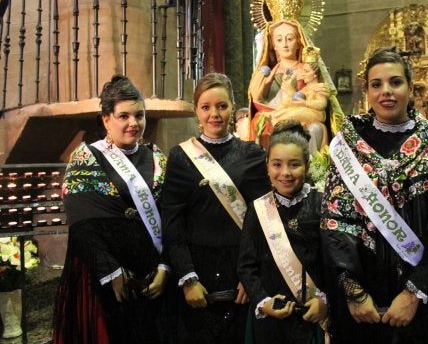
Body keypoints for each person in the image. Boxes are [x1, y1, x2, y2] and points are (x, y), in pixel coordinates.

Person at [320, 48, 428, 343]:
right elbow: (335, 222)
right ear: (366, 90)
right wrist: (353, 291)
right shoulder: (347, 146)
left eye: (395, 82)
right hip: (363, 298)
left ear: (410, 85)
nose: (386, 92)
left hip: (427, 295)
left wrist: (413, 293)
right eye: (376, 84)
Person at [52, 74, 170, 344]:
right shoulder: (86, 158)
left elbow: (171, 217)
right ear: (106, 119)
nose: (133, 123)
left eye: (139, 115)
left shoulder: (157, 158)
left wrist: (165, 266)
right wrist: (111, 270)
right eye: (124, 116)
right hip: (105, 279)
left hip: (153, 277)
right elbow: (82, 223)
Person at [161, 73, 271, 343]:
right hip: (198, 276)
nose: (215, 114)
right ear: (195, 110)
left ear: (233, 106)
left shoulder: (252, 154)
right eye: (206, 107)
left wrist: (252, 276)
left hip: (241, 273)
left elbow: (264, 219)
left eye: (222, 106)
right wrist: (187, 278)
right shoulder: (180, 156)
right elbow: (173, 222)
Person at [237, 120, 328, 343]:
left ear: (307, 165)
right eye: (277, 165)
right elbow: (246, 266)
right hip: (270, 321)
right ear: (267, 166)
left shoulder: (322, 204)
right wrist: (263, 301)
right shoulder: (258, 209)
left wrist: (325, 300)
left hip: (312, 317)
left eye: (294, 164)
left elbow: (334, 261)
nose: (285, 173)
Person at [271, 46, 335, 155]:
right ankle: (278, 117)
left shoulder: (320, 87)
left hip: (315, 114)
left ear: (315, 73)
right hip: (305, 115)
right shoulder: (304, 89)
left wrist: (305, 103)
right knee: (285, 111)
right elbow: (295, 100)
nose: (303, 74)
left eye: (306, 71)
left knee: (294, 113)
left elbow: (322, 104)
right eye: (303, 71)